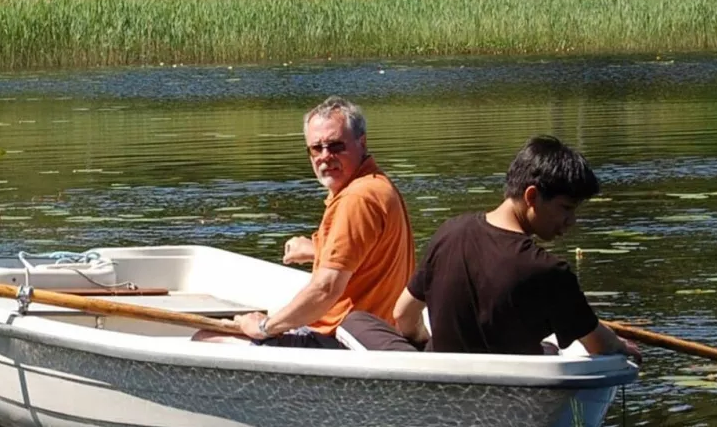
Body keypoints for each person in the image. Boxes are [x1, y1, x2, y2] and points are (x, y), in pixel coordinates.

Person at [356, 135, 639, 358]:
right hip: (512, 392)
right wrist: (621, 347)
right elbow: (600, 346)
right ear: (532, 196)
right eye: (566, 208)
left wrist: (424, 343)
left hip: (443, 381)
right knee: (551, 350)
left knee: (354, 321)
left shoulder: (448, 233)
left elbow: (403, 314)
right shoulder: (551, 272)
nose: (570, 221)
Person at [219, 96, 414, 349]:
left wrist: (265, 327)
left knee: (208, 339)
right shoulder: (377, 186)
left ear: (362, 143)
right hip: (376, 333)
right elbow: (367, 255)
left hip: (342, 342)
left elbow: (325, 289)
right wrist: (316, 251)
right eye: (316, 148)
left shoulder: (356, 199)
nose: (325, 156)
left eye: (335, 146)